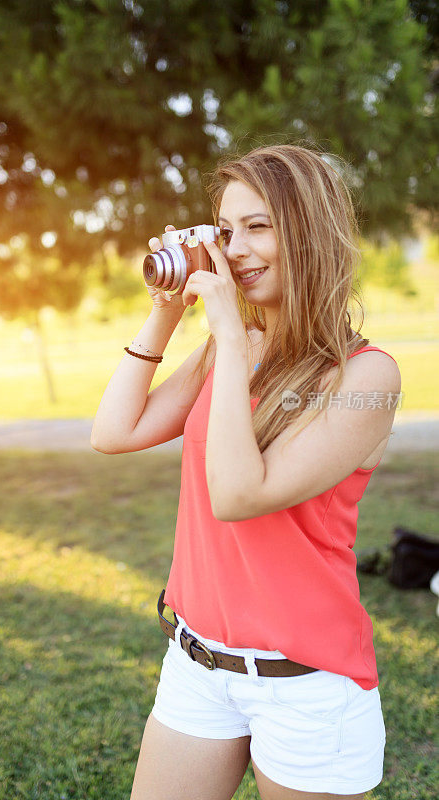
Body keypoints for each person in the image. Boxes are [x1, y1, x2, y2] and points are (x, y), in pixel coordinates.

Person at [90, 143, 402, 800]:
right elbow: (113, 433)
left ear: (309, 232)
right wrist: (167, 309)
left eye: (258, 227)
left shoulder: (366, 377)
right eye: (227, 231)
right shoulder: (229, 348)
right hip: (197, 664)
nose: (235, 250)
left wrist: (230, 337)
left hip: (305, 687)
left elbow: (236, 494)